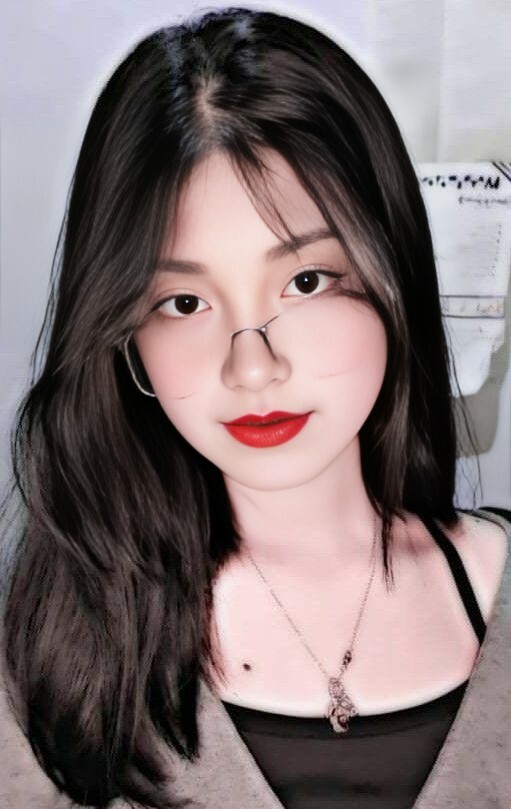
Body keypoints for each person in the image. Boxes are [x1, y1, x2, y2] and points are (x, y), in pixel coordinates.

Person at [0, 6, 509, 809]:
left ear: (390, 275)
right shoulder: (47, 661)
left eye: (305, 281)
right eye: (182, 302)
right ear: (122, 335)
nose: (251, 366)